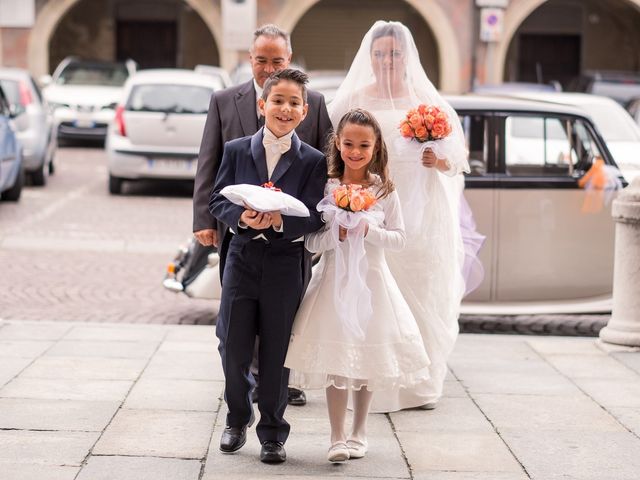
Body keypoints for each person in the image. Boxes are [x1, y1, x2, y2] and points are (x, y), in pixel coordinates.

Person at [328, 21, 483, 412]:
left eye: (394, 54)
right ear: (370, 56)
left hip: (423, 212)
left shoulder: (428, 102)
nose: (386, 60)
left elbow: (459, 162)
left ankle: (420, 385)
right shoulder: (355, 100)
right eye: (379, 53)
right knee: (375, 293)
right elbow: (332, 147)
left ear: (407, 57)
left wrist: (440, 159)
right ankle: (370, 378)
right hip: (373, 207)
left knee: (423, 291)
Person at [193, 24, 332, 407]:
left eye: (277, 61)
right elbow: (209, 163)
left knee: (281, 320)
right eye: (261, 60)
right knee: (234, 323)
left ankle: (275, 386)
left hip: (289, 241)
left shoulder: (315, 103)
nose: (269, 68)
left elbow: (325, 165)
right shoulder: (224, 99)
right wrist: (204, 220)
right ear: (250, 60)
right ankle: (240, 383)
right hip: (237, 232)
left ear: (289, 60)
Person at [284, 109, 430, 462]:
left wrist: (368, 231)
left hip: (373, 282)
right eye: (348, 143)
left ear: (376, 146)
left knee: (366, 357)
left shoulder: (384, 189)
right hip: (333, 283)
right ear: (338, 143)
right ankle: (336, 436)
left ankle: (359, 431)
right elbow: (310, 243)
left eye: (364, 145)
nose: (355, 151)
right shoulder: (328, 186)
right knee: (338, 357)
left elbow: (400, 239)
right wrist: (337, 233)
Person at [209, 69, 327, 463]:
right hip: (241, 259)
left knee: (277, 351)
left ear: (304, 111)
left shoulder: (313, 161)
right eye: (278, 100)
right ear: (263, 105)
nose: (285, 108)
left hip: (284, 265)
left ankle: (273, 431)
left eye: (294, 102)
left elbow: (315, 216)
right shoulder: (237, 150)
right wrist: (241, 218)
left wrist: (279, 221)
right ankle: (237, 417)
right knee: (233, 347)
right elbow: (217, 200)